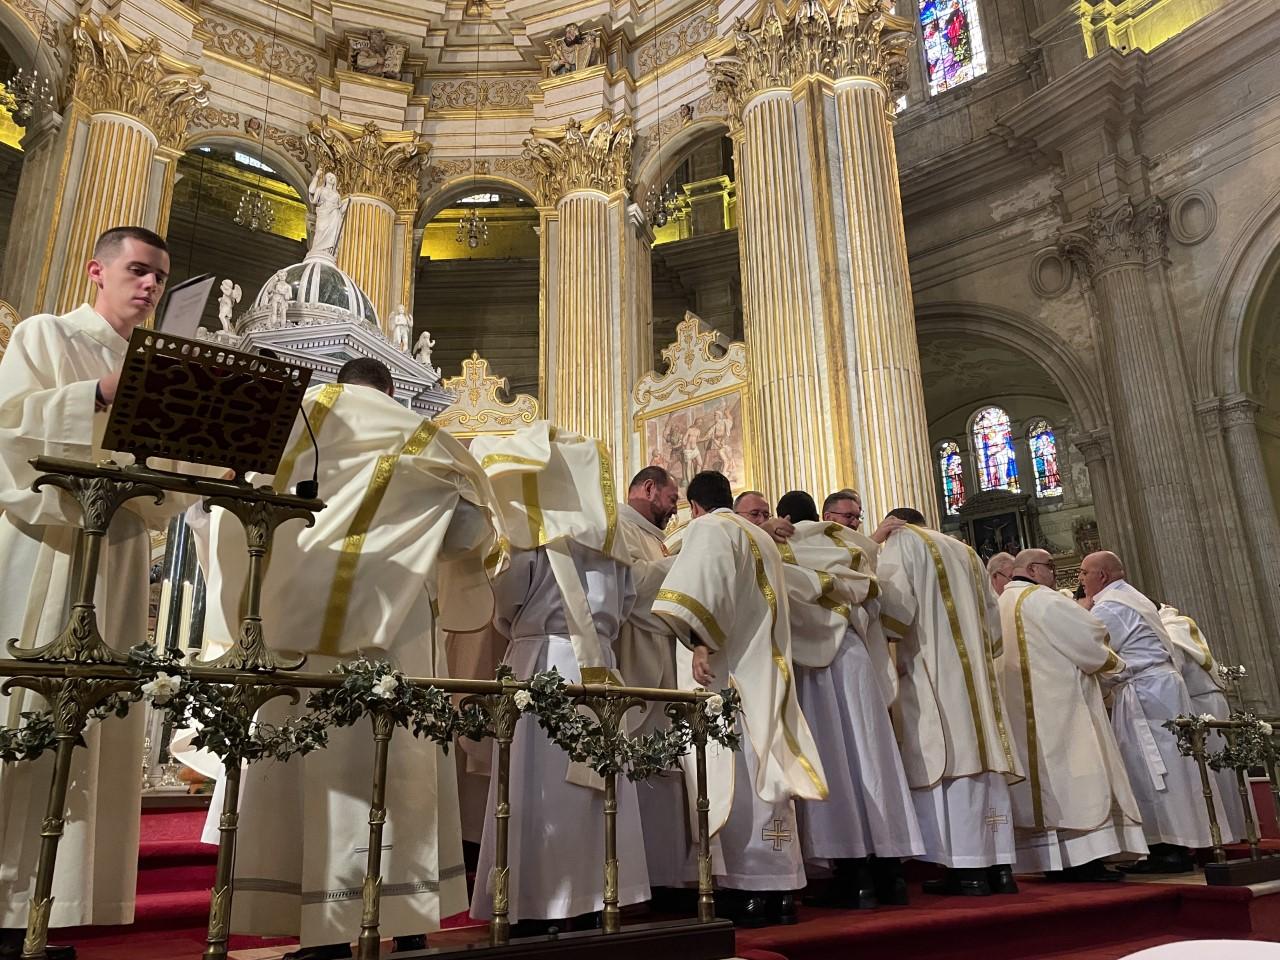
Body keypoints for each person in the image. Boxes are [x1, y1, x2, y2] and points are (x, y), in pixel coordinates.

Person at [194, 357, 499, 959]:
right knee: (399, 765)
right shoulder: (425, 439)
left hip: (294, 629)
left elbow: (227, 512)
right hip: (395, 629)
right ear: (391, 389)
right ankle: (406, 916)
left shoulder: (290, 426)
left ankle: (323, 929)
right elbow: (469, 536)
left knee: (311, 766)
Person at [0, 227, 196, 958]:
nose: (149, 286)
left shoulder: (151, 364)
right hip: (47, 545)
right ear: (97, 271)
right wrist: (98, 393)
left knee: (95, 719)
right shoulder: (47, 335)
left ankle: (46, 908)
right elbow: (9, 424)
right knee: (32, 707)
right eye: (138, 270)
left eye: (160, 277)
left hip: (116, 551)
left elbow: (168, 480)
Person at [468, 423, 649, 932]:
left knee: (538, 794)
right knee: (594, 798)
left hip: (541, 661)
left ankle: (535, 905)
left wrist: (520, 631)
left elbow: (506, 602)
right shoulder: (614, 541)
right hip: (601, 669)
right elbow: (627, 604)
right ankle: (595, 900)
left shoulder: (527, 538)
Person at [652, 471, 827, 928]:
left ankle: (748, 888)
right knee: (767, 768)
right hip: (764, 670)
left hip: (726, 675)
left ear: (694, 507)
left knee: (736, 774)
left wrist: (700, 643)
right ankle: (781, 890)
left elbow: (704, 592)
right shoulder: (760, 536)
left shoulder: (711, 529)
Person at [772, 491, 923, 909]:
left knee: (834, 761)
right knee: (873, 760)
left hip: (816, 661)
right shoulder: (856, 548)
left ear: (784, 518)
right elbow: (887, 604)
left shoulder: (783, 547)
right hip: (858, 657)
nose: (855, 523)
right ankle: (890, 873)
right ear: (824, 515)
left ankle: (852, 873)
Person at [873, 507, 1023, 897]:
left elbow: (896, 614)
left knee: (953, 759)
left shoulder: (903, 543)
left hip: (934, 671)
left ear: (896, 523)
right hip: (977, 676)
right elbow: (993, 630)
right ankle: (999, 869)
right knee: (981, 758)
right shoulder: (966, 550)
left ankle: (967, 870)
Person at [998, 549, 1147, 881]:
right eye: (1050, 567)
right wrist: (1115, 665)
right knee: (1074, 780)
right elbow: (1092, 639)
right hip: (1061, 708)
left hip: (1019, 716)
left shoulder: (998, 605)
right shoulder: (1045, 600)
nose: (1055, 575)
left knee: (1041, 784)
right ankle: (1084, 860)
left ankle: (1052, 861)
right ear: (1033, 570)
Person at [1079, 551, 1215, 873]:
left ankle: (1166, 848)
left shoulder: (1110, 606)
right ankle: (1179, 843)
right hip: (1160, 688)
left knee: (1152, 768)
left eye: (1084, 572)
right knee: (1173, 766)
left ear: (1102, 575)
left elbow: (1095, 653)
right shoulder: (1133, 597)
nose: (1080, 579)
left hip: (1145, 693)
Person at [615, 466, 693, 903]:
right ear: (648, 488)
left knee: (666, 769)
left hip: (665, 659)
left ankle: (668, 875)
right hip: (637, 660)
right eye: (671, 497)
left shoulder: (654, 536)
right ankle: (639, 878)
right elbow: (632, 587)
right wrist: (685, 559)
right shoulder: (621, 527)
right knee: (640, 767)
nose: (674, 508)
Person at [1158, 603, 1250, 844]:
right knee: (1222, 769)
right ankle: (1237, 828)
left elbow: (1172, 671)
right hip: (1208, 702)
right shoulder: (1180, 625)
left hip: (1200, 704)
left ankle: (1227, 831)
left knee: (1215, 769)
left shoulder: (1170, 631)